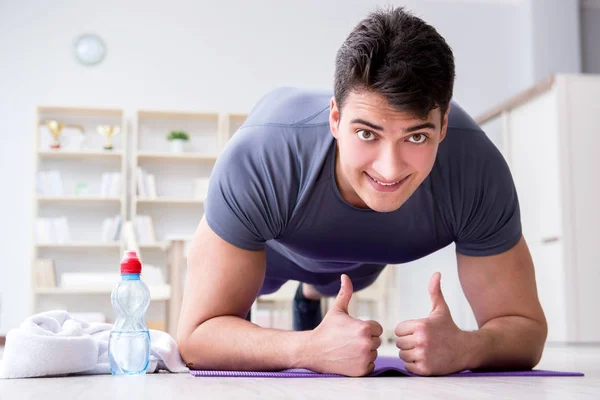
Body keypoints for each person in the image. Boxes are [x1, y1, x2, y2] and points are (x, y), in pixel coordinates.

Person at [177, 6, 548, 377]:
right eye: (367, 133)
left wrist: (467, 347)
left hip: (366, 263)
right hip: (275, 252)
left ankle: (310, 293)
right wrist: (307, 347)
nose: (390, 169)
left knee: (331, 284)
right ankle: (308, 294)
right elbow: (196, 339)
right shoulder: (264, 156)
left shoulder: (476, 169)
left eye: (416, 136)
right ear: (335, 119)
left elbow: (525, 330)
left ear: (444, 124)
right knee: (247, 312)